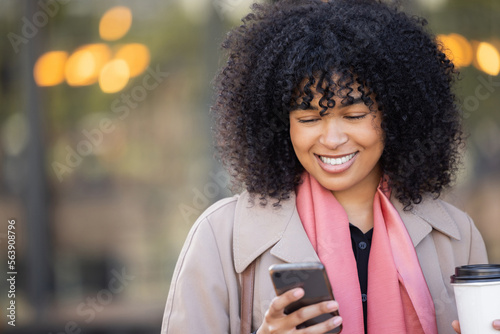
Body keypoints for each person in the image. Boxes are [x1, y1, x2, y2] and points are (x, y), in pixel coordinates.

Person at [161, 0, 500, 333]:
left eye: (354, 116)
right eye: (308, 118)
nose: (332, 139)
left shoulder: (457, 235)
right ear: (282, 125)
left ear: (396, 115)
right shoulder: (220, 236)